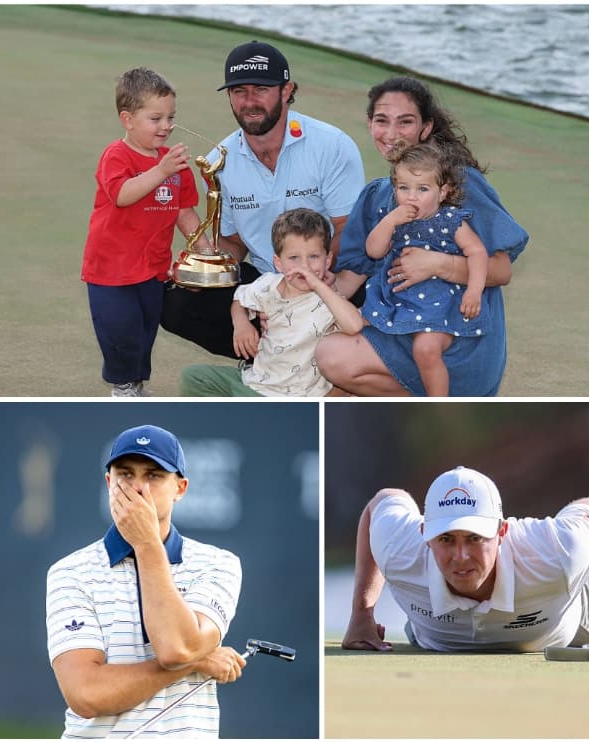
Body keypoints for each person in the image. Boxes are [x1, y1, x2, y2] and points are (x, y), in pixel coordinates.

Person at [316, 76, 530, 396]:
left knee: (333, 358)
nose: (391, 134)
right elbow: (352, 276)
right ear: (369, 124)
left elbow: (502, 270)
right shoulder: (376, 195)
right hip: (399, 324)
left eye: (405, 122)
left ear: (426, 128)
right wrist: (291, 300)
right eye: (381, 121)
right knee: (329, 388)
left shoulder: (460, 184)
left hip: (455, 337)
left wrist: (437, 264)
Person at [160, 40, 365, 359]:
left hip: (329, 273)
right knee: (175, 303)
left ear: (286, 90)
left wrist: (307, 278)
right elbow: (233, 243)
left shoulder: (332, 145)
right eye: (239, 91)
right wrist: (202, 269)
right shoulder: (221, 160)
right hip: (266, 277)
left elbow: (347, 229)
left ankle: (311, 357)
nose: (249, 101)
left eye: (261, 89)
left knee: (367, 292)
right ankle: (272, 361)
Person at [46, 424, 245, 737]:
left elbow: (176, 648)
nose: (138, 488)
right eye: (126, 474)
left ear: (180, 488)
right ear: (109, 482)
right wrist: (196, 662)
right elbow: (86, 694)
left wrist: (147, 544)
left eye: (154, 476)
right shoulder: (69, 571)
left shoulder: (218, 564)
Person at [342, 466, 589, 654]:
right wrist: (361, 616)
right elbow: (381, 502)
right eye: (446, 539)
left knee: (584, 579)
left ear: (502, 530)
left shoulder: (559, 549)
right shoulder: (399, 545)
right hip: (430, 639)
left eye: (475, 538)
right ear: (425, 535)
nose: (461, 557)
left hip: (569, 624)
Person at [81, 68, 211, 397]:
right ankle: (123, 388)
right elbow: (122, 194)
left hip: (152, 270)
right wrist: (161, 170)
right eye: (156, 118)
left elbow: (185, 212)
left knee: (144, 332)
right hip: (111, 271)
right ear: (128, 119)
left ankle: (136, 384)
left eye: (171, 117)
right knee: (119, 333)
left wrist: (205, 251)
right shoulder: (117, 156)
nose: (166, 126)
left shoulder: (173, 163)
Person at [180, 208, 364, 397]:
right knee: (193, 376)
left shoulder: (328, 300)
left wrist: (319, 285)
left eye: (314, 257)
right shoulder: (268, 284)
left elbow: (354, 325)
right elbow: (239, 299)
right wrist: (241, 323)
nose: (305, 266)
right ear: (278, 262)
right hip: (255, 381)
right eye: (294, 258)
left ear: (327, 261)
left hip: (294, 395)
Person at [362, 140, 489, 396]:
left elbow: (477, 252)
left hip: (438, 303)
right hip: (396, 299)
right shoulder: (396, 218)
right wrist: (389, 221)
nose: (411, 196)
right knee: (352, 324)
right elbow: (373, 250)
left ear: (443, 192)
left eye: (423, 189)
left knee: (426, 349)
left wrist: (474, 291)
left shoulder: (449, 221)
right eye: (403, 188)